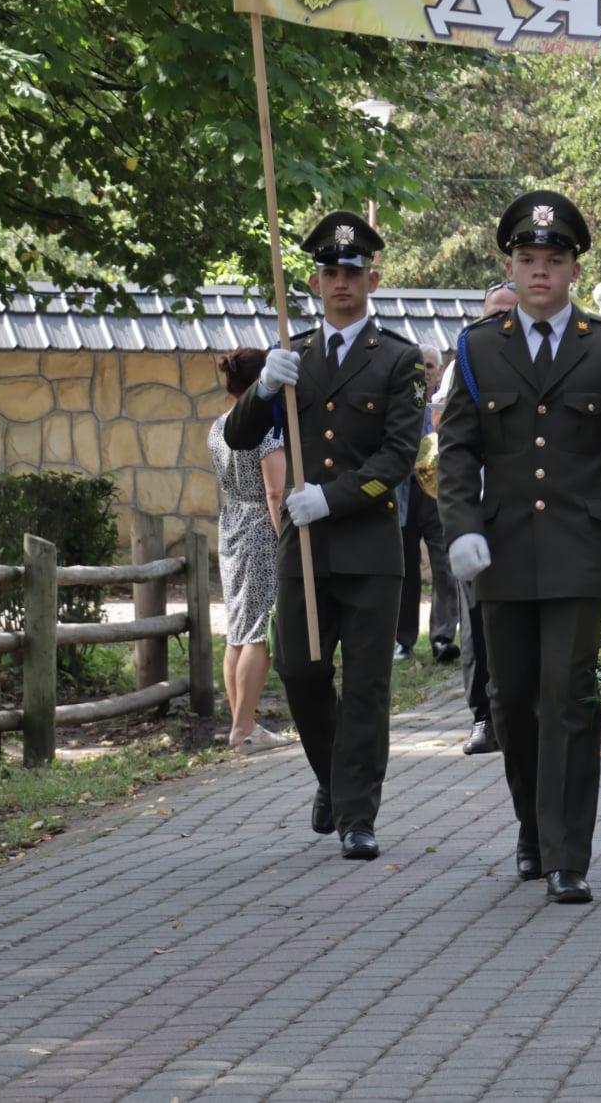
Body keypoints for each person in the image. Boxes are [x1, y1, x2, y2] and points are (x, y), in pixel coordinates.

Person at [438, 191, 601, 906]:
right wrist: (461, 526)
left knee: (571, 700)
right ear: (511, 268)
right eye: (527, 261)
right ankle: (532, 823)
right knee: (512, 700)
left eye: (553, 261)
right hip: (503, 554)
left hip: (583, 552)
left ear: (575, 269)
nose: (540, 273)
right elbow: (456, 449)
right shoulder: (478, 347)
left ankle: (567, 852)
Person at [224, 210, 424, 862]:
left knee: (365, 686)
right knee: (301, 671)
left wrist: (328, 497)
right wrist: (262, 389)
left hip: (367, 546)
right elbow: (238, 436)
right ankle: (332, 776)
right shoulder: (293, 354)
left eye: (354, 272)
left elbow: (397, 456)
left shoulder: (396, 358)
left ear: (374, 278)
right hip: (302, 551)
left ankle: (358, 813)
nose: (343, 282)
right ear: (314, 280)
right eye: (332, 272)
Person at [437, 280, 521, 756]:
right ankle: (483, 717)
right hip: (477, 512)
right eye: (493, 314)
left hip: (525, 512)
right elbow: (446, 436)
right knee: (475, 621)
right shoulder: (464, 364)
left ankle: (521, 712)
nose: (501, 321)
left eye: (508, 312)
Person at [209, 348, 289, 752]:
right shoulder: (266, 428)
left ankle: (244, 724)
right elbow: (275, 492)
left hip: (232, 524)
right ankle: (243, 729)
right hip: (261, 526)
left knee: (236, 630)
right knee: (259, 630)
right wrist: (286, 539)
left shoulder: (217, 426)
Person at [396, 345, 459, 664]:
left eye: (431, 365)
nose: (425, 370)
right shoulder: (399, 402)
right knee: (404, 569)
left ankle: (443, 638)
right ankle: (403, 641)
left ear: (439, 370)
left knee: (445, 566)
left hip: (438, 493)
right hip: (405, 493)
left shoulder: (449, 403)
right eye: (420, 366)